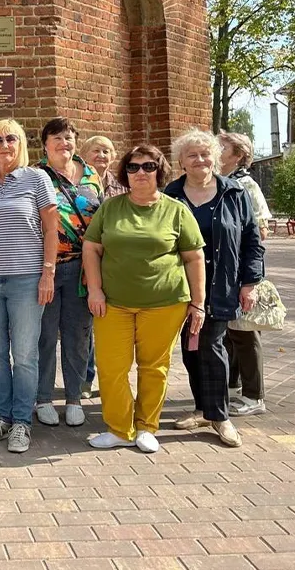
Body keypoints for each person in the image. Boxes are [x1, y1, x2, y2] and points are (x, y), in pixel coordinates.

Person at [82, 144, 206, 454]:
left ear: (159, 172)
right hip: (112, 303)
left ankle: (147, 427)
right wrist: (94, 290)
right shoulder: (110, 208)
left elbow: (194, 257)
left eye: (148, 167)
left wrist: (198, 302)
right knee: (111, 368)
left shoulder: (176, 210)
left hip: (165, 304)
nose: (140, 172)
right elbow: (91, 249)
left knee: (154, 367)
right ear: (125, 172)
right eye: (134, 167)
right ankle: (120, 428)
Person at [0, 119, 57, 454]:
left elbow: (50, 230)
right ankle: (2, 417)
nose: (4, 145)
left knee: (26, 355)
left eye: (11, 138)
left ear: (21, 144)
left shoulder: (37, 179)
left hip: (27, 280)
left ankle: (21, 422)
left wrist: (48, 273)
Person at [164, 130, 264, 448]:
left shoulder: (234, 193)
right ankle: (202, 408)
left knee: (211, 344)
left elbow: (251, 239)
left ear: (216, 158)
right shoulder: (171, 194)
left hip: (222, 283)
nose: (200, 160)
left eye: (206, 154)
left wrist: (250, 283)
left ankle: (220, 416)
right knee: (190, 346)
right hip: (180, 286)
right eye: (192, 155)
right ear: (181, 161)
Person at [35, 118, 102, 428]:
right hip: (45, 266)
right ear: (45, 144)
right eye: (57, 138)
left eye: (69, 138)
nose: (64, 143)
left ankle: (74, 398)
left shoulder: (92, 176)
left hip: (83, 268)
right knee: (45, 335)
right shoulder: (35, 176)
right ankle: (44, 398)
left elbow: (103, 221)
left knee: (78, 336)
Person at [217, 130, 271, 417]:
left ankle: (254, 395)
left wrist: (249, 277)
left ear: (237, 155)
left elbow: (260, 232)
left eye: (222, 146)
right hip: (226, 270)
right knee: (231, 332)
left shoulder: (246, 185)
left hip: (242, 271)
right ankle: (234, 385)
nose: (216, 149)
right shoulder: (219, 182)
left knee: (246, 332)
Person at [77, 135, 125, 396]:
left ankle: (113, 379)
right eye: (96, 150)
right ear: (84, 155)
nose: (102, 155)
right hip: (85, 262)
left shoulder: (122, 188)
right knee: (86, 325)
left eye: (107, 151)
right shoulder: (76, 186)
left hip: (115, 264)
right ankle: (85, 377)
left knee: (110, 323)